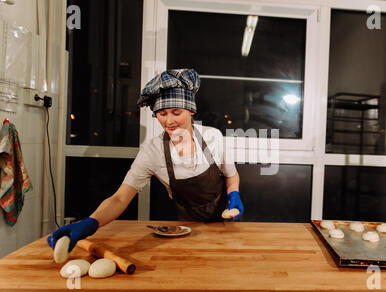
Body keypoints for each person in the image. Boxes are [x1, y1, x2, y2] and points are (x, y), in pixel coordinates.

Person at [47, 69, 244, 252]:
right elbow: (120, 198)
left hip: (226, 223)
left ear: (191, 111)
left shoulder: (213, 137)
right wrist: (90, 223)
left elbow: (231, 176)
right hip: (186, 229)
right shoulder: (153, 151)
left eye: (177, 113)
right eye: (162, 114)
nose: (169, 121)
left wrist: (234, 195)